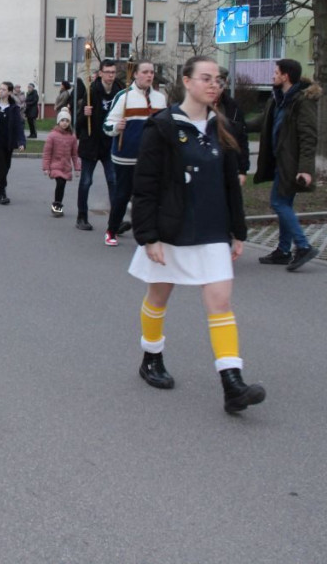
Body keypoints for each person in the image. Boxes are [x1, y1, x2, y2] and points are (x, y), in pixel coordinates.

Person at [129, 55, 264, 414]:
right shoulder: (162, 126)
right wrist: (149, 236)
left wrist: (237, 230)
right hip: (170, 228)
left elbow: (230, 185)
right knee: (158, 296)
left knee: (220, 302)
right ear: (186, 81)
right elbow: (145, 185)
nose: (213, 84)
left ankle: (232, 382)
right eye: (206, 78)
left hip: (212, 229)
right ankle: (151, 357)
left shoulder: (223, 127)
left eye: (218, 79)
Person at [251, 58, 321, 271]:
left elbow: (309, 137)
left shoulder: (301, 101)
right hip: (279, 161)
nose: (273, 75)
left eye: (276, 72)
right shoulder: (278, 99)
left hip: (291, 164)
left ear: (286, 76)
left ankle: (303, 246)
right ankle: (283, 251)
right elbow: (262, 122)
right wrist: (232, 125)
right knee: (284, 205)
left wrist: (306, 169)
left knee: (279, 203)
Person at [103, 61, 166, 246]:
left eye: (152, 72)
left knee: (151, 195)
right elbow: (106, 125)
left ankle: (149, 232)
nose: (149, 75)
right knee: (122, 195)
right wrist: (116, 126)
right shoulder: (123, 97)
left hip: (152, 157)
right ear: (136, 74)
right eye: (145, 72)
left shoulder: (160, 99)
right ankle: (111, 230)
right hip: (126, 156)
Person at [75, 59, 123, 231]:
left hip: (110, 143)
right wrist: (84, 114)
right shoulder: (91, 91)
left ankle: (115, 221)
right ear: (101, 73)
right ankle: (82, 217)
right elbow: (78, 123)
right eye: (107, 72)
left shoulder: (120, 92)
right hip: (91, 143)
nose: (111, 75)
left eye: (113, 72)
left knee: (113, 180)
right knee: (86, 181)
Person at [42, 108, 80, 217]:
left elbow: (75, 154)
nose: (65, 123)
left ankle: (58, 205)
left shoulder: (72, 137)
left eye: (67, 121)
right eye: (62, 120)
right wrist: (46, 167)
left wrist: (77, 168)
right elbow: (47, 153)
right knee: (60, 183)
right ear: (58, 121)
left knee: (62, 186)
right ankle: (57, 206)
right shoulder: (52, 135)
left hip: (66, 167)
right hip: (55, 166)